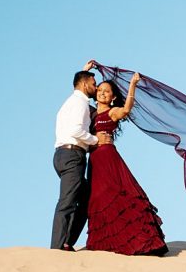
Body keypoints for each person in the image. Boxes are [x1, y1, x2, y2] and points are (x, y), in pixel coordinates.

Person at [84, 72, 168, 256]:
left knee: (118, 195)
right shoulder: (88, 112)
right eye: (100, 90)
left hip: (108, 158)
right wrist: (85, 71)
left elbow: (126, 110)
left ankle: (138, 243)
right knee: (98, 199)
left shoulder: (112, 112)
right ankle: (105, 244)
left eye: (107, 92)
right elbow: (81, 92)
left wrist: (132, 85)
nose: (103, 93)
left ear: (113, 97)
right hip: (94, 160)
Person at [51, 60, 99, 251]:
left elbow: (78, 82)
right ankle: (57, 247)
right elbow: (76, 130)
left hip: (63, 155)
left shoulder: (72, 101)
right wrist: (95, 140)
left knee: (85, 198)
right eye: (94, 84)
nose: (96, 88)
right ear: (85, 83)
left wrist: (84, 71)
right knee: (67, 202)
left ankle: (66, 241)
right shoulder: (80, 103)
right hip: (72, 155)